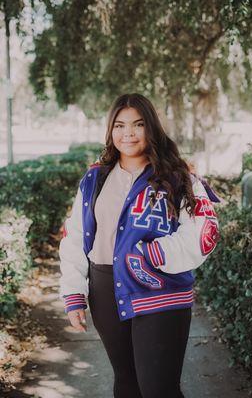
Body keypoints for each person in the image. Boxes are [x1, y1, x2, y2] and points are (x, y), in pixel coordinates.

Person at [59, 93, 220, 398]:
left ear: (152, 128)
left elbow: (204, 233)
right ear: (110, 130)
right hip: (105, 289)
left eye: (138, 124)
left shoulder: (178, 176)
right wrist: (73, 291)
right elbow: (76, 236)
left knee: (159, 389)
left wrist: (156, 254)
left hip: (162, 291)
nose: (128, 133)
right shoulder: (94, 178)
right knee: (127, 383)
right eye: (119, 125)